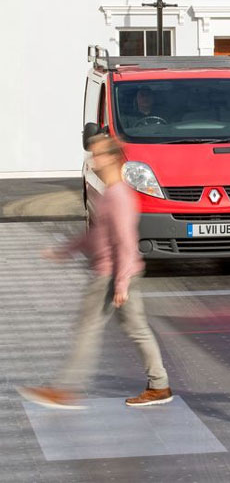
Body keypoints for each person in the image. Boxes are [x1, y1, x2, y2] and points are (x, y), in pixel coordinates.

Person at [17, 135, 172, 409]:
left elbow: (125, 241)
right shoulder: (111, 193)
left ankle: (64, 390)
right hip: (122, 272)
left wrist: (121, 283)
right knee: (136, 329)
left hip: (111, 275)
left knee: (87, 329)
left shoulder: (119, 196)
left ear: (113, 158)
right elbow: (96, 235)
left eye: (98, 154)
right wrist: (64, 251)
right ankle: (159, 385)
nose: (92, 160)